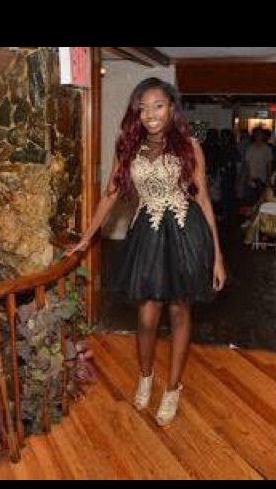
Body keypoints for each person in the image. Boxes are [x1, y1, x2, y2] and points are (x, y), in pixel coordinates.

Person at [67, 77, 226, 427]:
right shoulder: (128, 147)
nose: (151, 114)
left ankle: (173, 388)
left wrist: (217, 256)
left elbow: (202, 199)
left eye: (158, 106)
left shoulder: (189, 146)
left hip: (185, 234)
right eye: (143, 108)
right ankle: (145, 375)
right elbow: (110, 195)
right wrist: (86, 238)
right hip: (148, 236)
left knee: (179, 311)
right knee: (146, 317)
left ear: (171, 108)